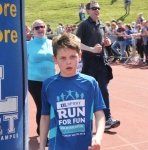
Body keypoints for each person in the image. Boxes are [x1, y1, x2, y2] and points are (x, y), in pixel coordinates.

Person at [39, 33, 106, 150]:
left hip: (85, 145)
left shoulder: (90, 83)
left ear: (80, 56)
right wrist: (41, 146)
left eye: (72, 57)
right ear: (55, 59)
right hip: (57, 146)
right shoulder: (48, 84)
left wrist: (98, 137)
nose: (68, 62)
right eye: (63, 58)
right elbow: (45, 117)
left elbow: (99, 114)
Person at [76, 1, 120, 130]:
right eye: (94, 8)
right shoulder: (84, 25)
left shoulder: (102, 25)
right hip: (89, 62)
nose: (97, 10)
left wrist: (107, 43)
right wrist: (91, 49)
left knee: (104, 90)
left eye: (98, 8)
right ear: (88, 10)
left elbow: (104, 41)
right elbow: (77, 43)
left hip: (102, 61)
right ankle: (85, 122)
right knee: (87, 91)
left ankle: (108, 119)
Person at [27, 19, 56, 143]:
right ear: (33, 31)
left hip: (51, 80)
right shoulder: (27, 45)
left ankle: (45, 130)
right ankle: (42, 133)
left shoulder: (52, 43)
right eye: (37, 27)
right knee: (42, 106)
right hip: (34, 81)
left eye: (42, 27)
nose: (40, 29)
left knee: (51, 107)